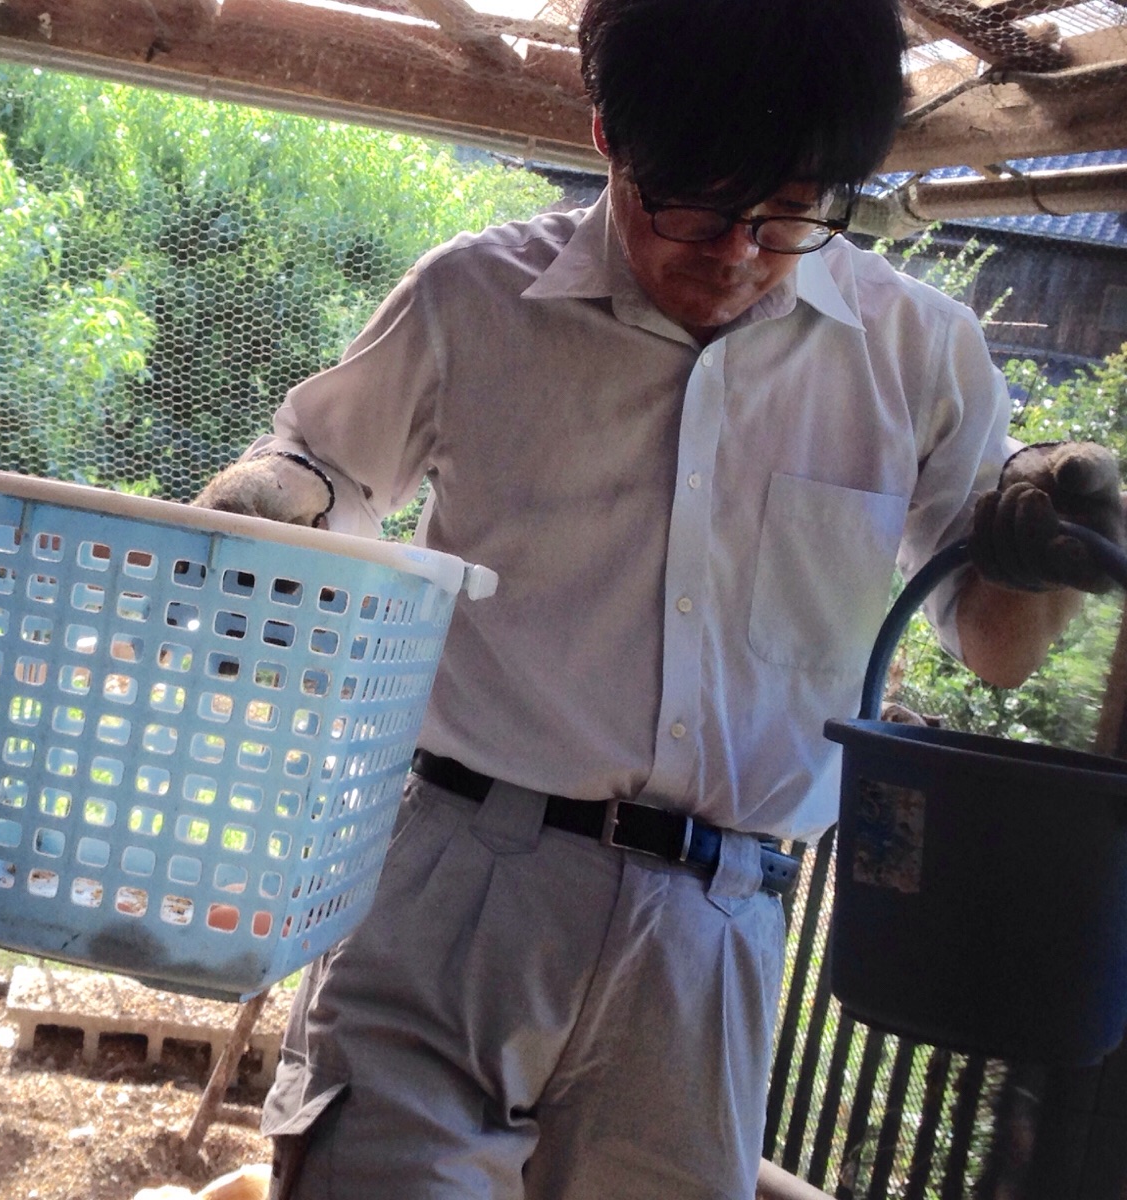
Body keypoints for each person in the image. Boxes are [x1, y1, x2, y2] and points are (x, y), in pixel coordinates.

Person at [194, 0, 1125, 1196]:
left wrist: (1055, 545)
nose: (734, 251)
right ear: (607, 139)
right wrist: (275, 495)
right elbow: (327, 468)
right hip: (456, 883)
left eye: (786, 211)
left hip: (717, 929)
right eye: (692, 203)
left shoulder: (918, 354)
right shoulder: (473, 298)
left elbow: (995, 645)